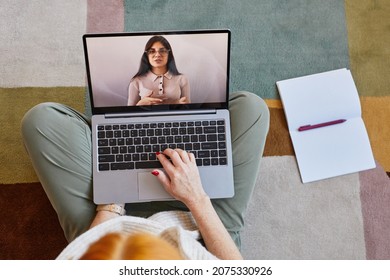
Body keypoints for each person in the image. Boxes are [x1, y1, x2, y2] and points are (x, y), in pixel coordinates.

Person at [21, 91, 269, 260]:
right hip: (201, 226)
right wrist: (197, 197)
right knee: (251, 107)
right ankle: (123, 131)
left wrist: (112, 202)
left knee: (41, 119)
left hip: (113, 229)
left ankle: (112, 131)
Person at [128, 35, 190, 106]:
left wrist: (182, 104)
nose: (157, 55)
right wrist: (139, 105)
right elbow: (128, 114)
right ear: (146, 55)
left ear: (169, 54)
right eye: (152, 51)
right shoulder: (136, 81)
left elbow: (188, 110)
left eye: (162, 51)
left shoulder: (182, 79)